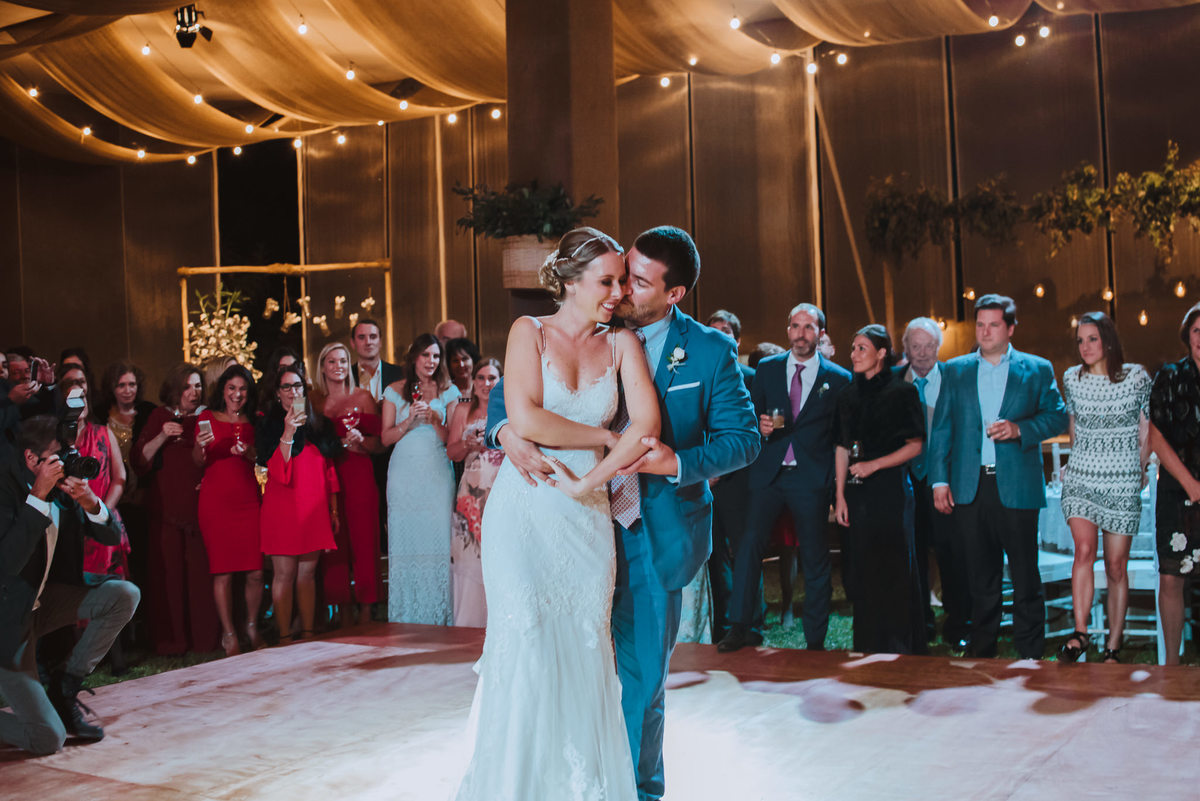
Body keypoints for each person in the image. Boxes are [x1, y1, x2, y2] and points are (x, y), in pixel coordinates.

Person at [481, 226, 759, 800]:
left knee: (639, 682)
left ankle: (635, 791)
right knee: (548, 657)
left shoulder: (708, 351)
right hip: (569, 519)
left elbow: (744, 439)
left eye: (636, 279)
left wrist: (676, 463)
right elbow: (510, 396)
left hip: (651, 530)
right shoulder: (585, 323)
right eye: (619, 273)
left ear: (673, 294)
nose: (623, 286)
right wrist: (504, 429)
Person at [457, 227, 656, 800]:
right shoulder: (529, 331)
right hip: (524, 512)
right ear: (570, 281)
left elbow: (646, 427)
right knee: (527, 645)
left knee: (583, 649)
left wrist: (593, 472)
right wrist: (603, 434)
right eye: (607, 280)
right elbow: (527, 420)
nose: (618, 290)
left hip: (586, 514)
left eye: (621, 280)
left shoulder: (623, 345)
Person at [928, 294, 1068, 659]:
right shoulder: (955, 370)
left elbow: (1056, 417)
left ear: (1010, 328)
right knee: (980, 577)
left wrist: (1020, 429)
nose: (985, 332)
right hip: (969, 487)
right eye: (980, 325)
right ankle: (983, 651)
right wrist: (939, 481)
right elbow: (941, 429)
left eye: (993, 325)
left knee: (1025, 575)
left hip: (1017, 486)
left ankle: (1029, 653)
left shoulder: (1036, 369)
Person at [0, 416, 138, 754]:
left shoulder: (61, 489)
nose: (65, 464)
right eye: (56, 457)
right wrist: (37, 495)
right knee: (48, 738)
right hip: (6, 621)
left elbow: (110, 536)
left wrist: (91, 502)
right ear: (32, 459)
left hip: (38, 604)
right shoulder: (7, 490)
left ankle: (66, 683)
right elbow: (7, 565)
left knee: (123, 594)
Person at [721, 303, 851, 653]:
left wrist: (837, 491)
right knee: (748, 547)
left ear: (820, 333)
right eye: (795, 326)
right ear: (788, 330)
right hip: (768, 474)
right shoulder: (767, 368)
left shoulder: (838, 379)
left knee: (814, 556)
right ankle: (740, 626)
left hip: (810, 478)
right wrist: (761, 428)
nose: (800, 333)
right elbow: (753, 419)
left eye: (809, 327)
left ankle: (815, 639)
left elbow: (840, 437)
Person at [1056, 312, 1150, 663]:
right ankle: (1080, 634)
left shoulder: (1136, 377)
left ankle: (1112, 645)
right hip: (1081, 477)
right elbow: (1073, 426)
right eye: (1080, 340)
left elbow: (1147, 428)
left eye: (1092, 338)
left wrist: (1139, 468)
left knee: (1115, 566)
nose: (1085, 346)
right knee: (1083, 550)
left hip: (1122, 480)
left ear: (1108, 340)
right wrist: (1071, 463)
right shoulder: (1072, 379)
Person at [833, 325, 926, 654]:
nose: (854, 354)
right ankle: (868, 645)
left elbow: (915, 446)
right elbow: (842, 447)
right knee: (862, 568)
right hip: (857, 496)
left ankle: (901, 646)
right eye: (853, 348)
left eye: (862, 348)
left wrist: (875, 465)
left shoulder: (902, 392)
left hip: (891, 492)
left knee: (895, 566)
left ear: (882, 353)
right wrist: (840, 495)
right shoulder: (847, 395)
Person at [133, 363, 218, 655]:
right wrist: (162, 436)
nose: (193, 392)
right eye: (187, 386)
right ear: (175, 388)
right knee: (167, 577)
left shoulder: (206, 416)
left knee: (200, 578)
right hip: (166, 509)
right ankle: (172, 642)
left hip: (199, 508)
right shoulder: (160, 415)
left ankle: (204, 641)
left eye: (197, 386)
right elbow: (139, 461)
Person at [897, 317, 971, 651]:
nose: (923, 353)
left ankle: (957, 623)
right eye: (916, 346)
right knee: (912, 555)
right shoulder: (895, 382)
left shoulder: (956, 378)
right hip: (905, 480)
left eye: (929, 346)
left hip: (946, 482)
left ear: (938, 348)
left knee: (952, 554)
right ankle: (920, 623)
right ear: (906, 348)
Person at [256, 367, 342, 644]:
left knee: (307, 574)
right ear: (277, 393)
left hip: (313, 508)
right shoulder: (268, 426)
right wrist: (288, 430)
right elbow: (277, 472)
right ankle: (283, 637)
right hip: (282, 508)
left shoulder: (319, 425)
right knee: (284, 574)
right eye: (286, 387)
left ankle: (307, 634)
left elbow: (329, 470)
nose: (293, 392)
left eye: (297, 386)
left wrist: (333, 509)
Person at [382, 334, 459, 624]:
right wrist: (409, 421)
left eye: (436, 356)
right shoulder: (394, 391)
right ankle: (406, 615)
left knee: (438, 539)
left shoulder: (448, 391)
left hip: (437, 472)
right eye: (426, 355)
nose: (431, 362)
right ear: (414, 357)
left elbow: (450, 441)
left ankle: (438, 614)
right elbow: (385, 437)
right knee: (405, 543)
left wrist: (435, 421)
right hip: (403, 472)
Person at [194, 364, 264, 656]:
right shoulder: (207, 417)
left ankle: (251, 625)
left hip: (248, 499)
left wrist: (250, 452)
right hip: (216, 501)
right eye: (232, 388)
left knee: (256, 572)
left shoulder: (256, 419)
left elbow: (262, 457)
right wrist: (199, 446)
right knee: (222, 572)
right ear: (223, 390)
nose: (237, 394)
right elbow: (198, 461)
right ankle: (229, 633)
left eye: (243, 389)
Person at [311, 342, 382, 626]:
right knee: (335, 541)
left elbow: (379, 445)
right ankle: (341, 609)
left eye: (342, 361)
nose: (338, 366)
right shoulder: (315, 401)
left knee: (365, 539)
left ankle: (367, 607)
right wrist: (335, 444)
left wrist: (361, 442)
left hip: (360, 472)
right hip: (326, 475)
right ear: (323, 367)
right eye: (331, 361)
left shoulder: (364, 397)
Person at [1148, 301, 1200, 665]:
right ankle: (1172, 665)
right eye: (1198, 331)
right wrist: (1190, 484)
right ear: (1188, 336)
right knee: (1172, 578)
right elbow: (1155, 435)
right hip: (1176, 493)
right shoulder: (1169, 376)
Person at [705, 309, 754, 642]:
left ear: (737, 339)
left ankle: (749, 622)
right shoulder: (700, 372)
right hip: (702, 479)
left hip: (739, 480)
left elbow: (749, 432)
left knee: (744, 552)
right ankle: (721, 622)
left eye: (725, 331)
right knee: (712, 555)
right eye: (713, 332)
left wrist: (720, 469)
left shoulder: (750, 376)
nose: (719, 337)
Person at [445, 358, 503, 627]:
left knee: (499, 552)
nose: (486, 384)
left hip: (501, 488)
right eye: (481, 378)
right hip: (470, 492)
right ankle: (470, 621)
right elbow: (451, 452)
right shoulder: (462, 411)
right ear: (473, 382)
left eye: (492, 378)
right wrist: (467, 444)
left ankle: (500, 620)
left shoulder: (508, 408)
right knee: (469, 554)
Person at [350, 319, 403, 402]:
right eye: (361, 337)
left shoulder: (400, 374)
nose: (368, 342)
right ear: (353, 343)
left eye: (373, 337)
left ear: (380, 342)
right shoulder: (346, 377)